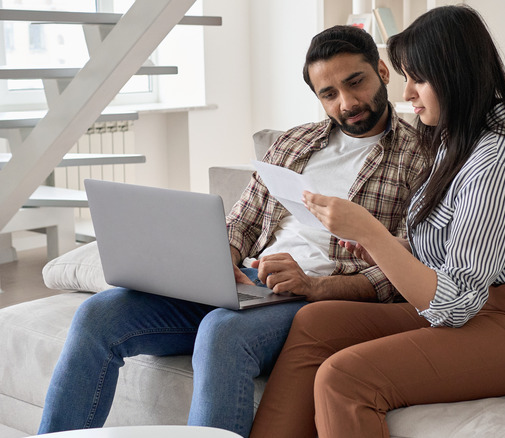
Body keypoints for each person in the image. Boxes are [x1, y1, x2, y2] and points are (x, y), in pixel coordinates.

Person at [38, 25, 427, 438]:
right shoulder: (293, 143)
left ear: (383, 72)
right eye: (329, 94)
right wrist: (218, 259)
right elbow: (240, 222)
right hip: (247, 282)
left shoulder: (419, 158)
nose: (347, 103)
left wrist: (312, 286)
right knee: (98, 315)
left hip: (315, 299)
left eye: (356, 83)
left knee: (222, 332)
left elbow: (400, 271)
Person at [248, 5, 505, 438]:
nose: (407, 95)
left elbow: (457, 302)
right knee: (316, 322)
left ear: (455, 75)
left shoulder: (497, 161)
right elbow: (448, 251)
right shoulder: (454, 140)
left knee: (345, 379)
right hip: (478, 308)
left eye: (418, 79)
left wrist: (369, 231)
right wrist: (386, 243)